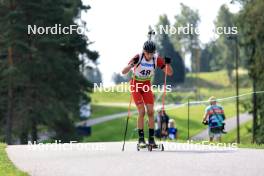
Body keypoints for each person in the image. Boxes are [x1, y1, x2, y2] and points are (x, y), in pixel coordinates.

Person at [121, 40, 173, 146]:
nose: (150, 55)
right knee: (142, 112)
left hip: (146, 86)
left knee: (150, 112)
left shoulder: (156, 59)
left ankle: (151, 139)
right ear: (144, 51)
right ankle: (141, 139)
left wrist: (167, 64)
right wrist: (131, 65)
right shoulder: (138, 57)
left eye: (152, 53)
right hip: (136, 85)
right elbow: (123, 71)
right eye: (148, 53)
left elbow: (169, 73)